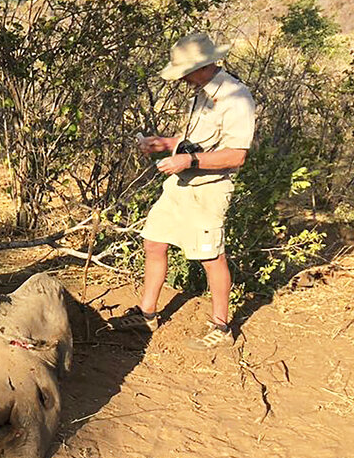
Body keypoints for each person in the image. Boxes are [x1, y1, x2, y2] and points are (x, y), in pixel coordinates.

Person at [109, 32, 256, 350]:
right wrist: (165, 143)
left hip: (210, 188)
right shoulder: (202, 92)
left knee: (211, 256)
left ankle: (221, 326)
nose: (183, 79)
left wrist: (188, 159)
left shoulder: (236, 97)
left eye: (185, 72)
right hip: (182, 183)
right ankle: (147, 314)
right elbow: (195, 139)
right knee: (154, 242)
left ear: (203, 66)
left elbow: (236, 155)